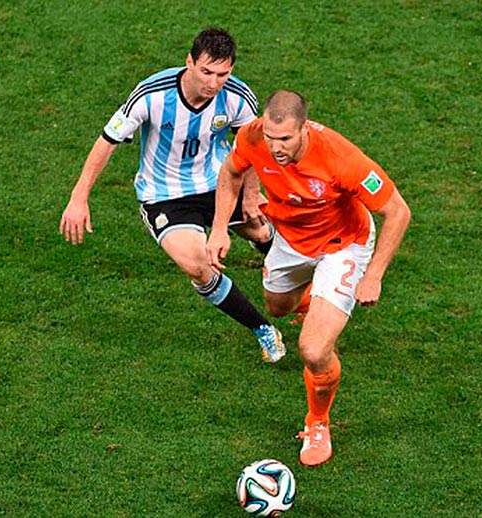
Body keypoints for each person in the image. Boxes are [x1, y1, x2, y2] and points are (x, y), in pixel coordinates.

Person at [206, 90, 411, 466]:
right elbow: (232, 171)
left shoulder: (341, 159)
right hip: (291, 240)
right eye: (271, 136)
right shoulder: (253, 137)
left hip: (341, 245)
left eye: (284, 139)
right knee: (277, 308)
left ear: (304, 129)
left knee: (314, 350)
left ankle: (317, 422)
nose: (275, 146)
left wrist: (374, 275)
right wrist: (219, 228)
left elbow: (398, 212)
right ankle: (318, 302)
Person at [59, 28, 285, 362]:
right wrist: (79, 198)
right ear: (189, 62)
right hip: (165, 196)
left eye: (222, 74)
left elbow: (252, 146)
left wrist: (251, 196)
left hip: (219, 184)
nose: (213, 83)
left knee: (264, 231)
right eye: (206, 72)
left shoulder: (237, 96)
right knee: (197, 266)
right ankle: (262, 329)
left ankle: (297, 292)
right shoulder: (151, 94)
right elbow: (107, 140)